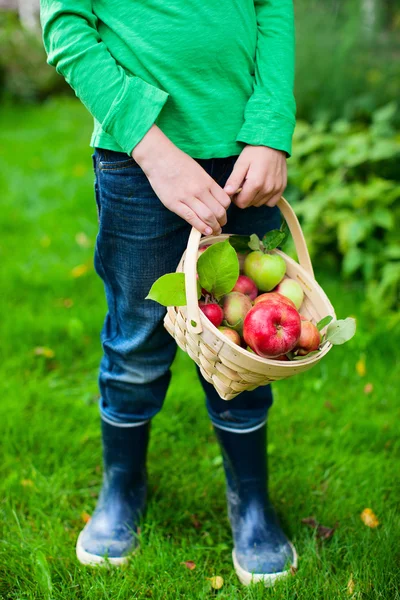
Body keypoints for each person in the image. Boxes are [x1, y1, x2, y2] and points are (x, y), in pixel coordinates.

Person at [40, 0, 297, 586]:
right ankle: (122, 488)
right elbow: (65, 24)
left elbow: (271, 8)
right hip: (140, 160)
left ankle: (250, 501)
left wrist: (270, 126)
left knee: (247, 343)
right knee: (137, 338)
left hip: (244, 156)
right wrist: (153, 151)